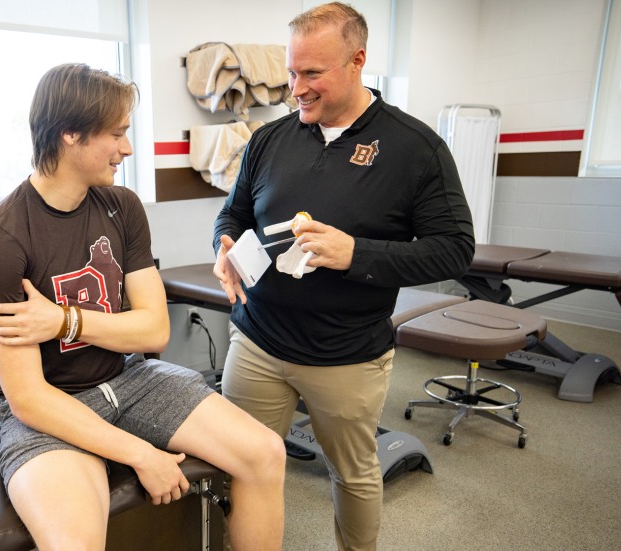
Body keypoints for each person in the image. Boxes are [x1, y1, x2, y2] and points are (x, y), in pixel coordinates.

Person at [0, 63, 285, 551]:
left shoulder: (122, 206)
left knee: (265, 453)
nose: (128, 148)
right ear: (70, 133)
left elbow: (154, 330)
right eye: (117, 133)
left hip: (130, 379)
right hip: (51, 407)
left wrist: (63, 320)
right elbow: (28, 396)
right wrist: (142, 454)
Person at [212, 3, 475, 551]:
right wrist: (224, 245)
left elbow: (454, 251)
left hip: (346, 354)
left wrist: (356, 252)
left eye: (312, 74)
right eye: (291, 72)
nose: (296, 89)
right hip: (258, 341)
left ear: (358, 61)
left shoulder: (415, 147)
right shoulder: (269, 140)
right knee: (238, 467)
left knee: (353, 476)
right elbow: (234, 213)